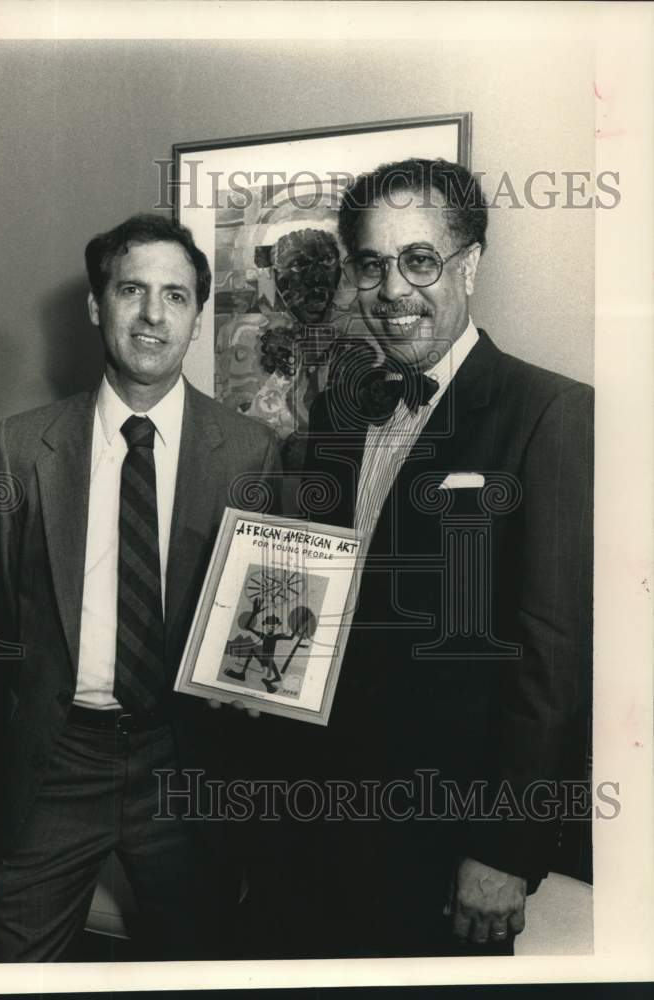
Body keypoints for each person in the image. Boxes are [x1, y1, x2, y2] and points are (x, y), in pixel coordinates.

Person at [244, 158, 593, 958]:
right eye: (371, 264)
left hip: (443, 848)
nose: (393, 290)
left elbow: (553, 663)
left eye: (419, 260)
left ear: (469, 264)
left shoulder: (550, 413)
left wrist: (506, 850)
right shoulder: (334, 411)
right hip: (302, 826)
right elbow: (312, 595)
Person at [0, 214, 280, 962]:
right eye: (132, 291)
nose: (153, 315)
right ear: (96, 305)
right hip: (56, 760)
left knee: (200, 965)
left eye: (176, 296)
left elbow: (269, 624)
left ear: (195, 314)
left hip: (186, 764)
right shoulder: (23, 445)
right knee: (12, 967)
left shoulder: (251, 453)